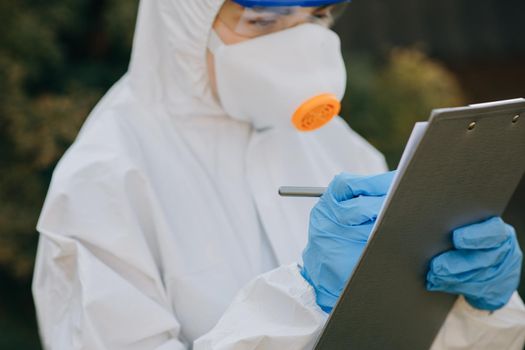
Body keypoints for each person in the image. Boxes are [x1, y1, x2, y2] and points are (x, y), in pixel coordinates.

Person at [32, 0, 525, 349]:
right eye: (263, 19)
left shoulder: (335, 144)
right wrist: (304, 300)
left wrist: (474, 310)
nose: (297, 44)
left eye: (317, 15)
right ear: (185, 15)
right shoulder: (104, 178)